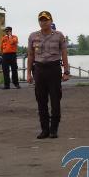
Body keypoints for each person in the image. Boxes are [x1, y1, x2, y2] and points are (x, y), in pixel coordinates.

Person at [27, 11, 70, 139]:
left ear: (51, 21)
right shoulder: (33, 36)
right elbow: (30, 55)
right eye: (41, 20)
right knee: (41, 100)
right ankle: (44, 129)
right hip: (39, 69)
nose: (43, 22)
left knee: (55, 99)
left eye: (46, 20)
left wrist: (66, 71)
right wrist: (28, 73)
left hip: (54, 69)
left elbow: (64, 54)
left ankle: (53, 129)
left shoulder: (59, 35)